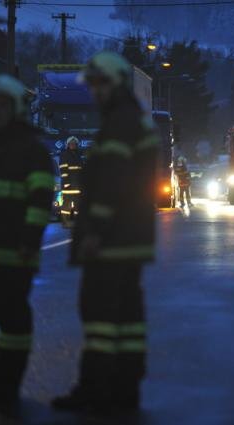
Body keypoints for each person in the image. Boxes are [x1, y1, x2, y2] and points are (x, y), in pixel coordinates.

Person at [52, 51, 158, 412]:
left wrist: (94, 229)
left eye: (98, 85)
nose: (94, 92)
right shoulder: (132, 120)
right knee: (126, 317)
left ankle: (95, 390)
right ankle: (125, 389)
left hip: (112, 240)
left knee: (98, 316)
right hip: (130, 237)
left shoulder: (120, 123)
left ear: (113, 84)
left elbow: (110, 185)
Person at [0, 74, 54, 416]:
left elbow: (40, 201)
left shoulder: (32, 151)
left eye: (4, 105)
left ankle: (6, 388)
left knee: (13, 322)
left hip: (16, 256)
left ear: (16, 109)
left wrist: (29, 242)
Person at [59, 136, 85, 224]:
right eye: (71, 144)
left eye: (74, 144)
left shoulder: (79, 155)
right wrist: (66, 182)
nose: (73, 145)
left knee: (78, 205)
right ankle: (65, 222)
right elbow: (63, 169)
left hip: (78, 185)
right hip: (68, 185)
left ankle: (78, 223)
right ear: (68, 145)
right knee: (66, 205)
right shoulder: (64, 154)